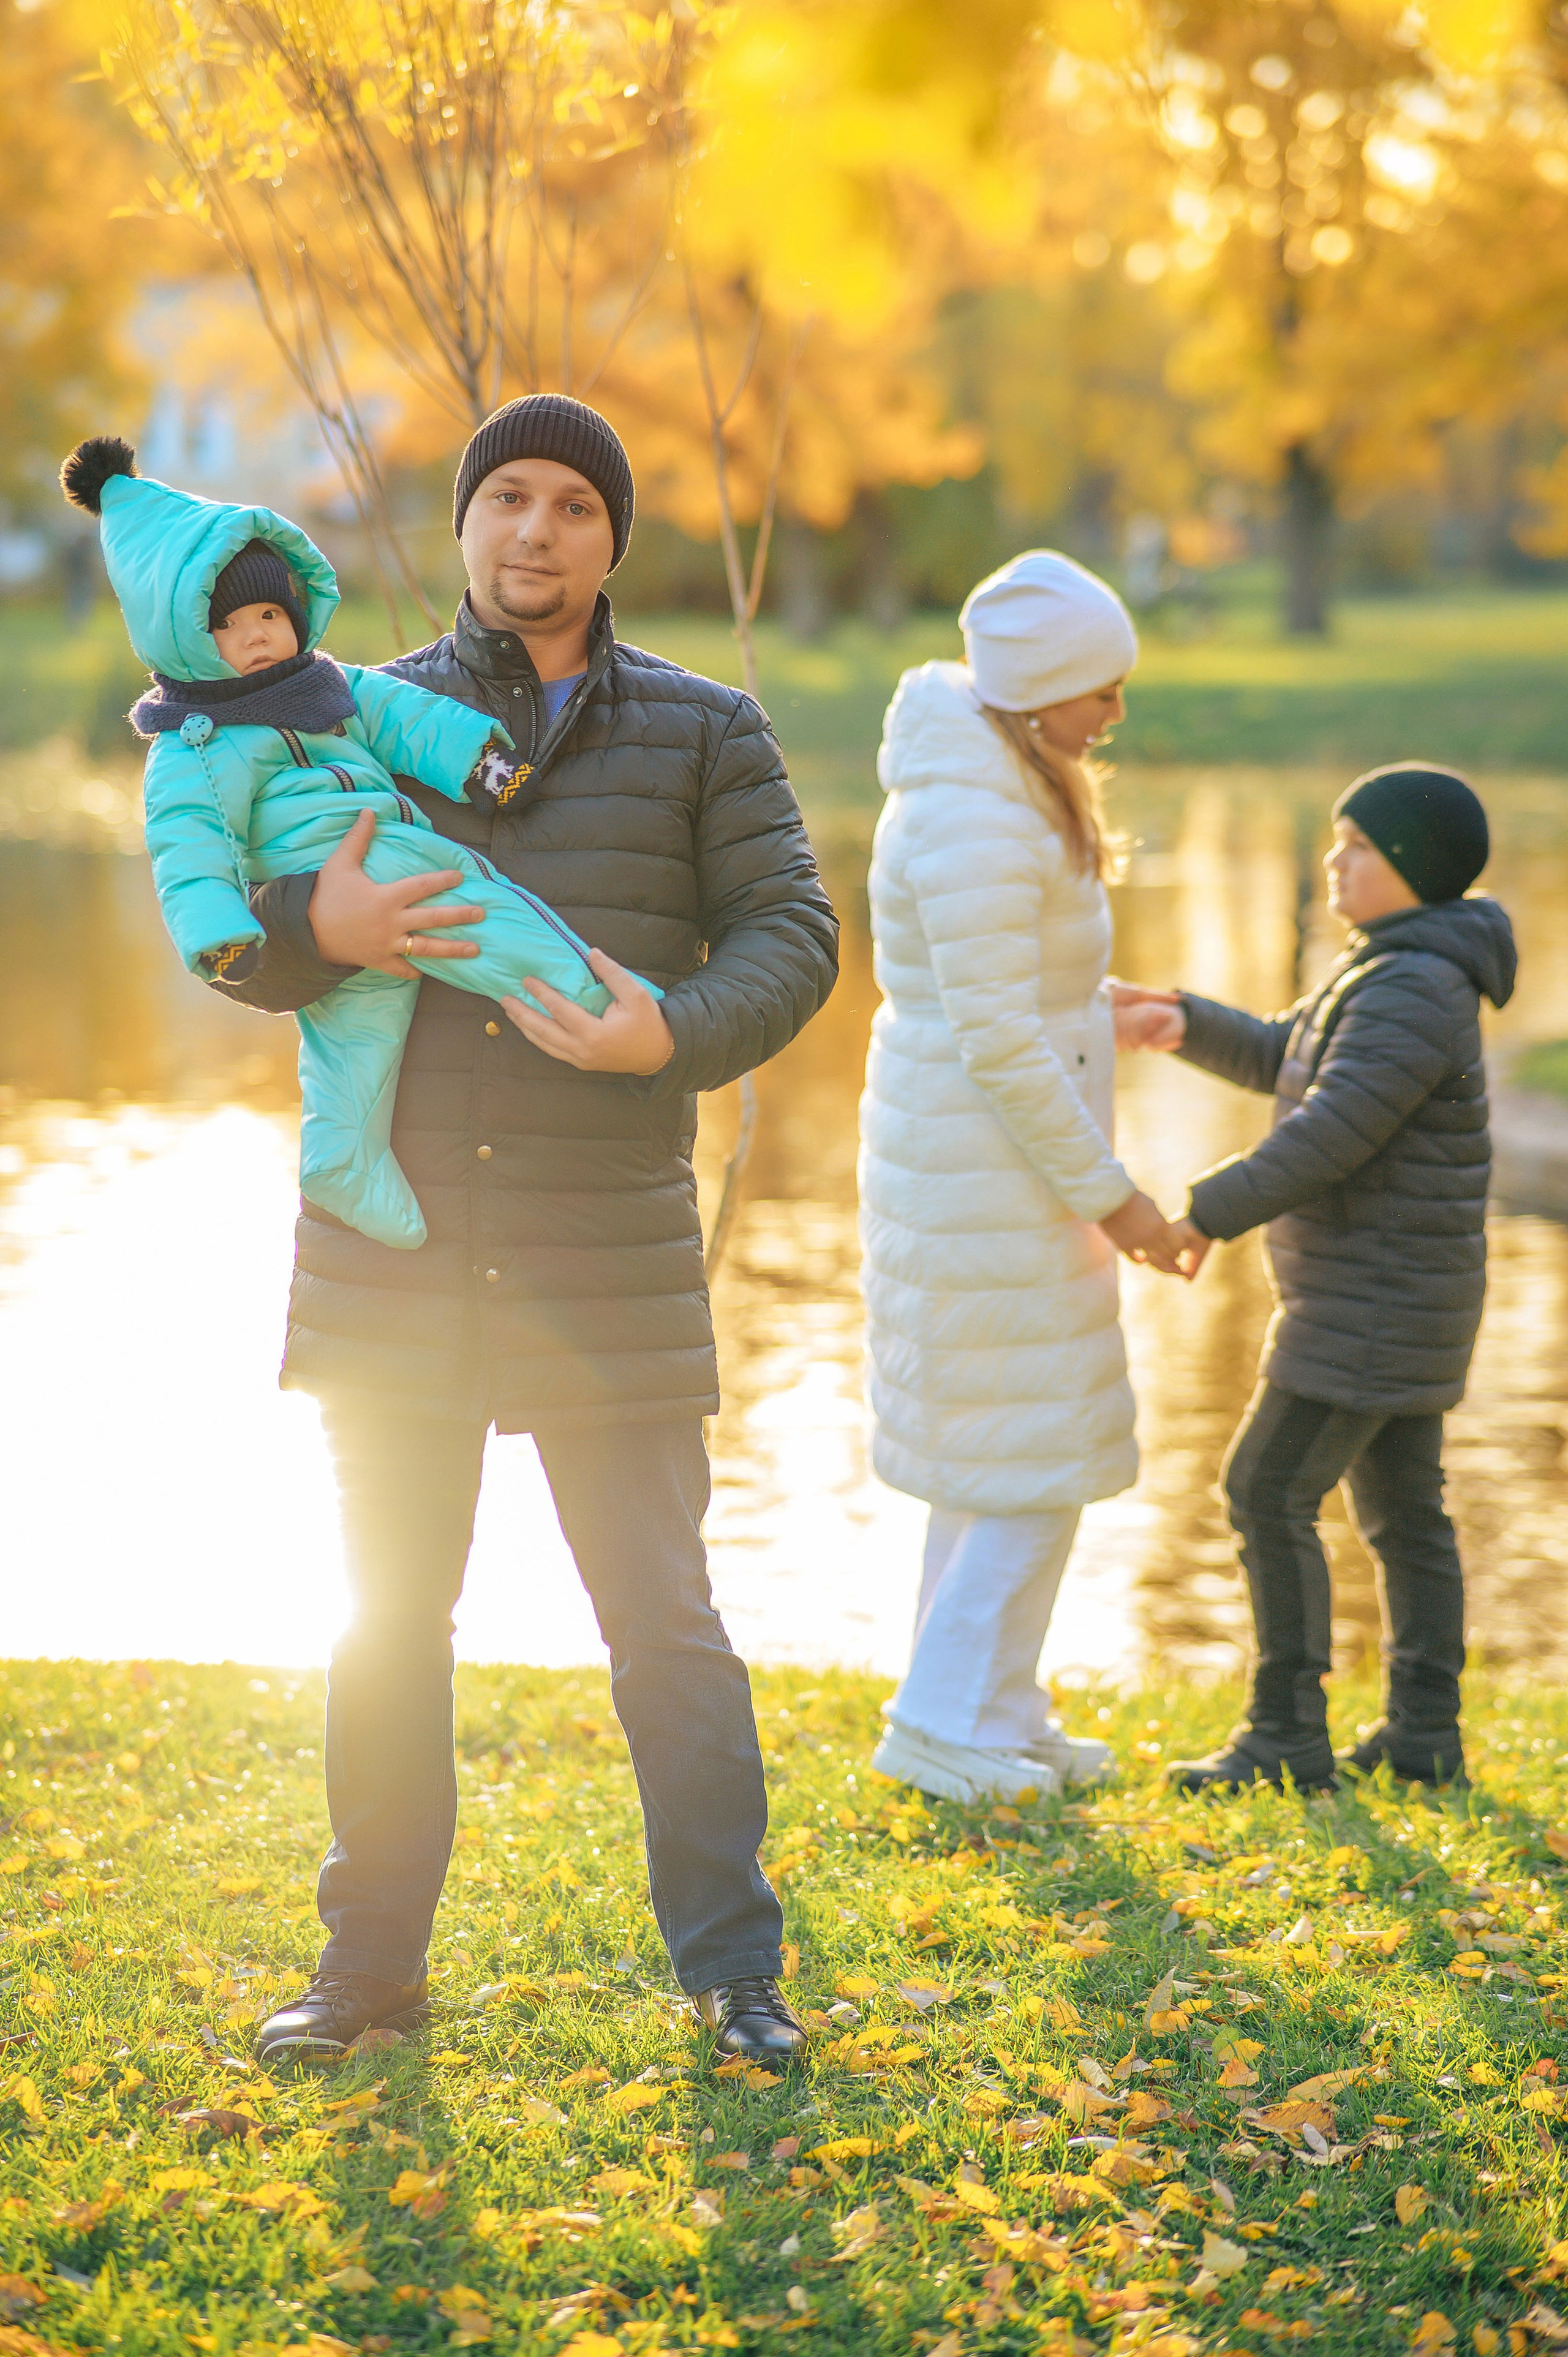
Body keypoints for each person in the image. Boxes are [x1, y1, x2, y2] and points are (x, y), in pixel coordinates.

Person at [200, 393, 838, 2067]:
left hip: (602, 1249)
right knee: (387, 1626)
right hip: (394, 1255)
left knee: (664, 1629)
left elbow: (794, 935)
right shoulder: (350, 713)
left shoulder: (708, 733)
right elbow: (227, 925)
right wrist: (312, 926)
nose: (532, 532)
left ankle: (730, 1974)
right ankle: (368, 1976)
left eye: (569, 504)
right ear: (468, 523)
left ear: (612, 537)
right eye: (505, 501)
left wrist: (671, 1034)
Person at [60, 434, 643, 1250]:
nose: (259, 633)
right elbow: (188, 852)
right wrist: (226, 939)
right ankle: (592, 999)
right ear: (185, 636)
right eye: (229, 623)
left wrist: (480, 762)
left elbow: (409, 720)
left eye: (270, 613)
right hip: (359, 865)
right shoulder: (194, 747)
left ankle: (341, 1157)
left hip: (378, 867)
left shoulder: (331, 686)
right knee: (472, 914)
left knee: (361, 1034)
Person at [858, 550, 1198, 1809]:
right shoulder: (975, 812)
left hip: (988, 1161)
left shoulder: (1003, 783)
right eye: (1098, 691)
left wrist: (1103, 1010)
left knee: (999, 1452)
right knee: (1027, 1456)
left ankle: (991, 1707)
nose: (1113, 713)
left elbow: (1000, 993)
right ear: (1036, 689)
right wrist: (1116, 1199)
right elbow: (994, 1036)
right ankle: (939, 1718)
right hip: (978, 1170)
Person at [1114, 765, 1517, 1793]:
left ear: (1414, 871)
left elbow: (1333, 1133)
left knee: (1265, 1487)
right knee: (1402, 1510)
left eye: (1358, 848)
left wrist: (1204, 1212)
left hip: (1372, 1300)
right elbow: (1295, 1060)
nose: (1335, 860)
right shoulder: (1389, 967)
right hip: (1394, 1292)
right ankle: (1425, 1736)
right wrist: (1183, 1020)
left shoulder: (1416, 986)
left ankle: (1286, 1732)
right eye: (1336, 841)